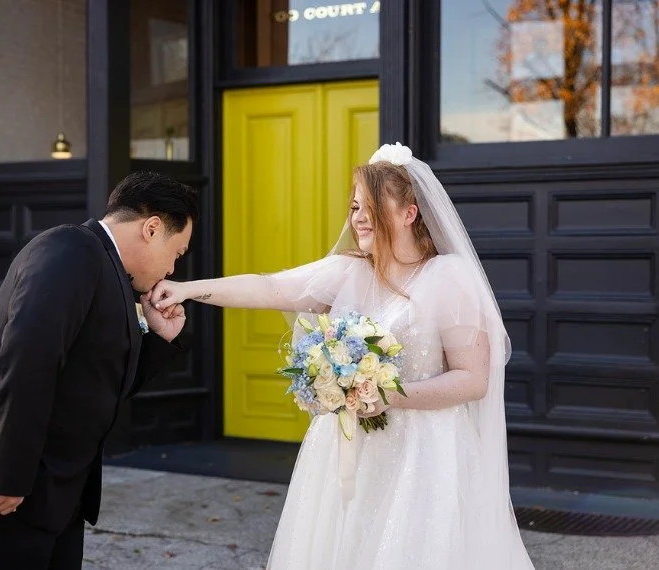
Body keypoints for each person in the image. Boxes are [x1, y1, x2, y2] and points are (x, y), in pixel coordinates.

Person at [150, 143, 534, 569]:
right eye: (355, 207)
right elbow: (268, 287)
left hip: (425, 454)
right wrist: (188, 290)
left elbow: (473, 378)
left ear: (410, 213)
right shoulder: (349, 271)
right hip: (347, 448)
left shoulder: (448, 278)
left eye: (372, 206)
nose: (359, 217)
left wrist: (390, 395)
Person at [0, 171, 197, 569]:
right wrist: (9, 477)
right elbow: (26, 361)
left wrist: (160, 338)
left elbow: (104, 386)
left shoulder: (107, 270)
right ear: (152, 228)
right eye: (177, 252)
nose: (172, 268)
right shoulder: (71, 250)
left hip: (53, 493)